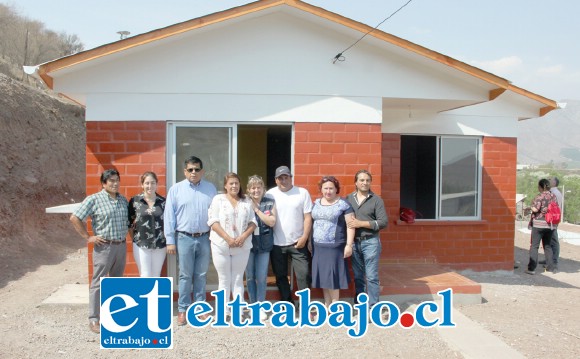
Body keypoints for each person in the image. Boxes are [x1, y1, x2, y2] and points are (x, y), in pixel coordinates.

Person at [69, 169, 129, 334]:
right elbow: (75, 218)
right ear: (104, 183)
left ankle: (113, 315)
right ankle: (94, 319)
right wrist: (88, 237)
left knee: (116, 283)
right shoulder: (94, 200)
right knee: (98, 284)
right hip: (104, 247)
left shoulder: (123, 200)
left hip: (121, 246)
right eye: (111, 181)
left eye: (117, 180)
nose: (115, 183)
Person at [164, 156, 217, 326]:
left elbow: (216, 214)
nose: (193, 172)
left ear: (202, 171)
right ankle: (183, 309)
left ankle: (199, 308)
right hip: (184, 237)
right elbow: (169, 217)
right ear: (184, 171)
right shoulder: (176, 190)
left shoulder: (210, 189)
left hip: (204, 238)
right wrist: (170, 240)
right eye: (190, 169)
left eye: (197, 169)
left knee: (201, 275)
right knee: (185, 275)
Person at [208, 173, 257, 315]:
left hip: (242, 246)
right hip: (221, 245)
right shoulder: (218, 199)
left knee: (237, 279)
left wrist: (243, 236)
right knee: (224, 279)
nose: (234, 186)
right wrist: (228, 238)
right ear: (225, 185)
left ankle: (238, 310)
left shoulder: (246, 200)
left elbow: (253, 222)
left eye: (236, 183)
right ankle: (223, 311)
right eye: (231, 183)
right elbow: (213, 221)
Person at [266, 166, 313, 305]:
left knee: (303, 276)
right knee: (280, 276)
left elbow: (308, 218)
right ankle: (287, 303)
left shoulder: (302, 193)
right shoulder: (269, 194)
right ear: (276, 180)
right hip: (276, 243)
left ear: (291, 178)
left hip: (298, 242)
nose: (284, 180)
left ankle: (305, 305)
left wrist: (305, 237)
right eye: (280, 178)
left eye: (286, 177)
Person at [345, 169, 388, 308]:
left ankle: (373, 306)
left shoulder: (376, 200)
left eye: (367, 180)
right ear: (356, 182)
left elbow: (383, 222)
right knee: (358, 276)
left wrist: (360, 223)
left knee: (371, 276)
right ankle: (360, 305)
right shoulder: (348, 199)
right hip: (354, 243)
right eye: (361, 180)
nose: (365, 183)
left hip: (371, 242)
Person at [311, 176, 355, 306]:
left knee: (333, 278)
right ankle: (327, 304)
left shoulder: (344, 204)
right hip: (318, 247)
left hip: (334, 247)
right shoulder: (316, 203)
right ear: (321, 189)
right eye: (325, 188)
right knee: (324, 278)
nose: (328, 191)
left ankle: (335, 307)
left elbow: (350, 225)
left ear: (336, 189)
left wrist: (349, 245)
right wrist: (309, 242)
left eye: (331, 188)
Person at [245, 175, 276, 319]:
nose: (256, 190)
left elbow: (271, 222)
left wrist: (257, 210)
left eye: (258, 187)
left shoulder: (270, 202)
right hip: (248, 245)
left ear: (263, 188)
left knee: (262, 277)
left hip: (264, 245)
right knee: (250, 277)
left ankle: (261, 306)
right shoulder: (244, 202)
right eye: (253, 188)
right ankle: (253, 306)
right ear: (248, 190)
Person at [128, 171, 166, 277]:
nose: (150, 186)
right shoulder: (135, 201)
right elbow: (129, 222)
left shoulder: (163, 202)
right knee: (145, 275)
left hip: (160, 245)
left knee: (156, 275)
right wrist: (135, 238)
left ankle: (154, 294)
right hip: (141, 244)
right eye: (147, 183)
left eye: (153, 183)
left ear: (157, 184)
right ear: (142, 185)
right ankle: (145, 294)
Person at [526, 178, 557, 275]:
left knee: (534, 246)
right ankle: (551, 268)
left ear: (541, 187)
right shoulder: (553, 196)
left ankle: (531, 268)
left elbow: (535, 209)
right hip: (550, 224)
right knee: (547, 246)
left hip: (539, 224)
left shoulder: (539, 197)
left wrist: (529, 208)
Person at [547, 177, 563, 270]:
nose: (549, 181)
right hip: (553, 219)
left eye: (550, 180)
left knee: (553, 240)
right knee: (549, 240)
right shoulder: (555, 192)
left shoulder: (554, 193)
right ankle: (549, 259)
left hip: (552, 219)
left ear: (554, 183)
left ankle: (554, 261)